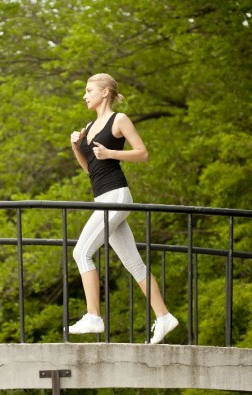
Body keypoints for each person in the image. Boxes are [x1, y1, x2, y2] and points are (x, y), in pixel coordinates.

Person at [69, 73, 178, 344]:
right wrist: (76, 147)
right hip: (103, 196)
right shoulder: (89, 125)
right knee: (133, 263)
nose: (85, 95)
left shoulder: (119, 120)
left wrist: (111, 153)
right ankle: (164, 317)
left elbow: (142, 153)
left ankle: (93, 316)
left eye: (89, 90)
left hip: (116, 195)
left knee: (81, 253)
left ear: (105, 92)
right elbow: (90, 170)